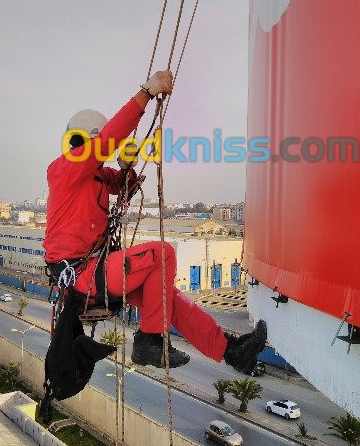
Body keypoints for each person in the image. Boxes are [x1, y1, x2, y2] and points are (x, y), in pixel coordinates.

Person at [43, 70, 267, 371]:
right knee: (163, 254)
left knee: (165, 296)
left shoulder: (91, 175)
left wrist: (127, 169)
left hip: (89, 272)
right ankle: (149, 340)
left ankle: (231, 351)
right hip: (80, 273)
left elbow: (122, 184)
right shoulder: (65, 168)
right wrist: (146, 92)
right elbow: (110, 139)